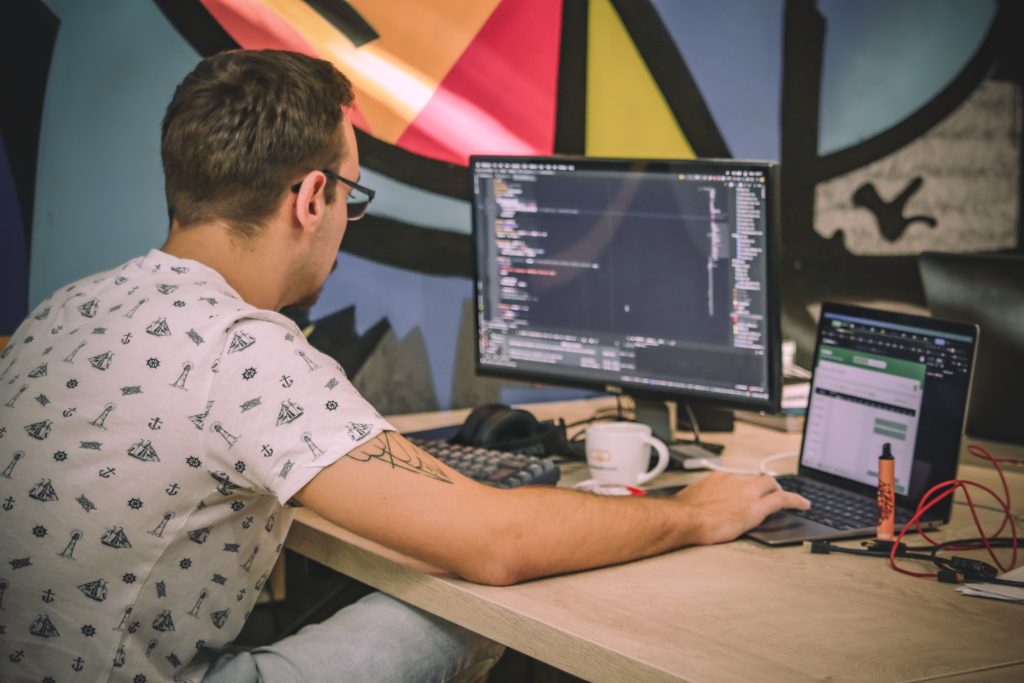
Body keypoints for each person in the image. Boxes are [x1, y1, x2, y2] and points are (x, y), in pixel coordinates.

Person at [0, 49, 809, 683]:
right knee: (475, 603)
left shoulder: (72, 306)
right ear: (310, 197)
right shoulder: (245, 350)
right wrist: (697, 512)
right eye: (352, 196)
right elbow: (499, 540)